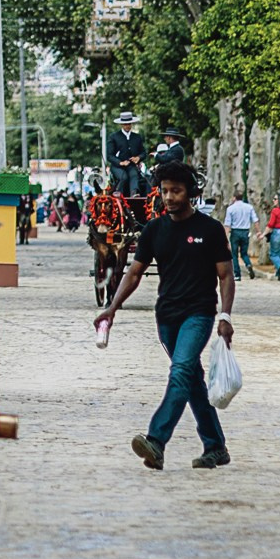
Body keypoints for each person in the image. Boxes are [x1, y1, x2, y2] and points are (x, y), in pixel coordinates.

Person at [96, 159, 236, 470]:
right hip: (167, 319)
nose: (169, 197)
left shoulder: (209, 230)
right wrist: (112, 307)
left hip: (199, 314)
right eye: (165, 191)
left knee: (181, 371)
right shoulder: (154, 231)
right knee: (191, 380)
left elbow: (226, 276)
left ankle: (156, 441)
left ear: (190, 193)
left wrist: (225, 315)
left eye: (176, 191)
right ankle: (215, 446)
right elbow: (133, 273)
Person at [109, 110, 149, 199]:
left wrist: (138, 158)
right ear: (121, 125)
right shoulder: (114, 137)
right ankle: (119, 194)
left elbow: (143, 153)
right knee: (124, 177)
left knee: (134, 175)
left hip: (131, 165)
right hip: (117, 166)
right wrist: (120, 163)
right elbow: (110, 156)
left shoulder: (137, 137)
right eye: (125, 124)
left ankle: (134, 194)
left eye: (129, 124)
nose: (127, 126)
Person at [223, 187, 256, 280]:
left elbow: (227, 224)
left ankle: (237, 274)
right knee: (244, 253)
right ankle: (248, 264)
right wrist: (258, 232)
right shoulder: (249, 207)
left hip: (235, 232)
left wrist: (225, 237)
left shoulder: (230, 209)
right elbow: (255, 220)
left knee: (234, 254)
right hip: (245, 231)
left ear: (234, 198)